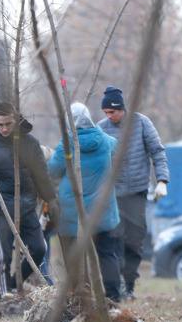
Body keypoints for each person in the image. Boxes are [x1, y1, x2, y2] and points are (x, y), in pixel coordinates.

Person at [0, 101, 58, 296]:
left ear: (15, 120)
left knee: (39, 248)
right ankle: (4, 294)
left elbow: (41, 176)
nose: (4, 129)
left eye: (8, 124)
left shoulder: (30, 144)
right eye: (0, 124)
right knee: (3, 257)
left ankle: (13, 282)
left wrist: (51, 199)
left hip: (26, 206)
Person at [97, 85, 169, 300]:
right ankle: (117, 284)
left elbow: (157, 151)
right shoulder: (101, 128)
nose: (110, 116)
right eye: (106, 113)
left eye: (113, 112)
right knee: (115, 239)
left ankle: (129, 284)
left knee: (135, 241)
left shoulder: (141, 123)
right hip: (113, 195)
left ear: (122, 109)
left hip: (137, 192)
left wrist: (162, 180)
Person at [48, 102, 122, 301]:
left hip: (72, 213)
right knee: (107, 255)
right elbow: (118, 151)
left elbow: (52, 171)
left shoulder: (66, 145)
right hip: (102, 210)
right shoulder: (106, 141)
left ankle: (79, 296)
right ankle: (113, 298)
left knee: (73, 257)